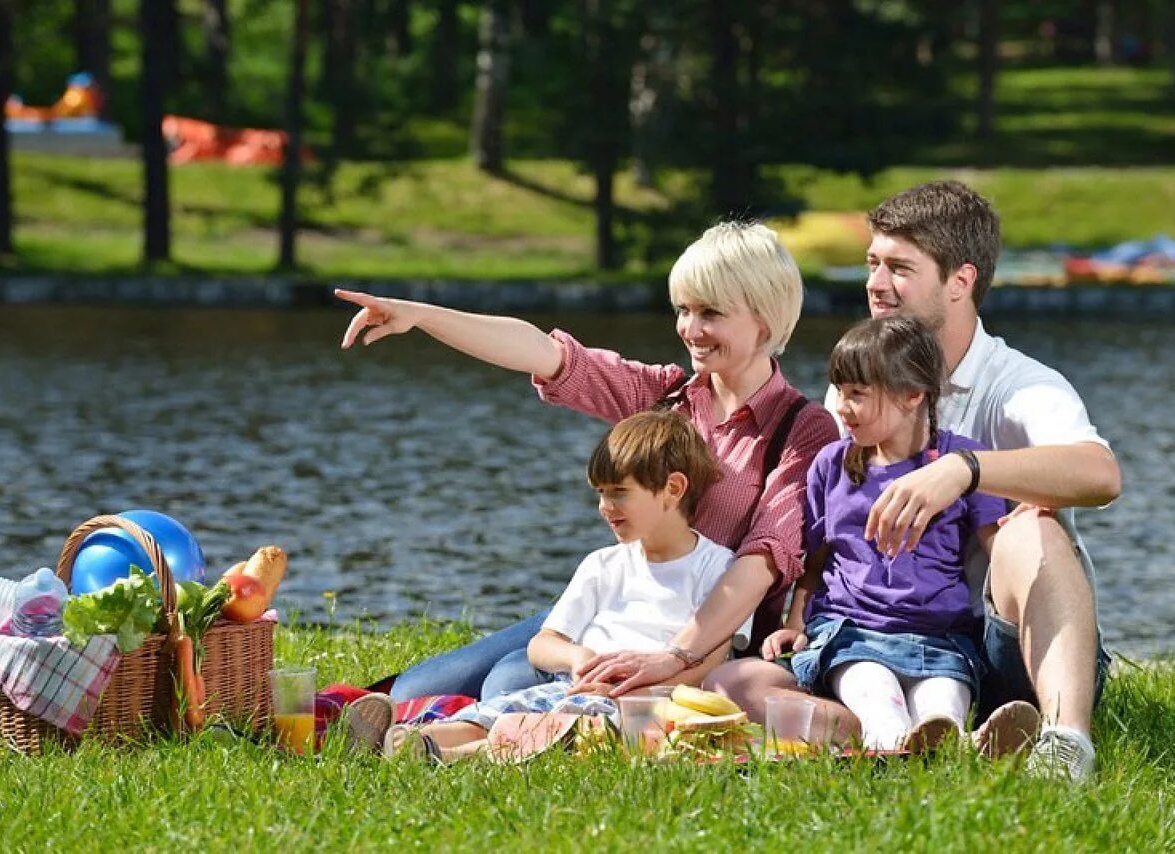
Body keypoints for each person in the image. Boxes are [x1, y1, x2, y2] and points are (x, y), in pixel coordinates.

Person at [715, 180, 1118, 780]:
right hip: (873, 635)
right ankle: (888, 732)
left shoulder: (1021, 385)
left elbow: (1101, 474)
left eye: (900, 267)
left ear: (961, 281)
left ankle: (1064, 740)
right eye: (872, 263)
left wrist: (964, 469)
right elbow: (831, 535)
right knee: (741, 682)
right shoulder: (859, 384)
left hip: (1003, 649)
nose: (876, 283)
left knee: (1031, 528)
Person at [336, 222, 838, 702]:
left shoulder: (802, 428)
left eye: (710, 313)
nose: (689, 328)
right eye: (683, 309)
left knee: (509, 683)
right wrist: (420, 316)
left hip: (706, 636)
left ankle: (488, 736)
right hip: (619, 608)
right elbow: (545, 354)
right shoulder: (665, 396)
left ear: (765, 320)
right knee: (411, 691)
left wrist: (673, 655)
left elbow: (761, 563)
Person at [344, 410, 752, 761]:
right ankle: (404, 741)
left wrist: (641, 690)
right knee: (495, 715)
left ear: (673, 489)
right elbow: (543, 643)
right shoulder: (603, 564)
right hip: (573, 686)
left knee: (553, 729)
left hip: (643, 705)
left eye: (619, 493)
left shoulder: (718, 568)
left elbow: (710, 661)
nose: (605, 507)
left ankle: (443, 757)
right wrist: (577, 657)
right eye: (600, 494)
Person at [756, 315, 1010, 752]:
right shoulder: (831, 465)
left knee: (941, 707)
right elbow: (816, 562)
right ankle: (904, 745)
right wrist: (795, 624)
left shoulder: (962, 461)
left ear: (913, 394)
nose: (840, 406)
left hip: (941, 639)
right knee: (876, 698)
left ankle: (955, 744)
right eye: (840, 392)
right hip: (853, 634)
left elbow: (1000, 548)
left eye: (857, 395)